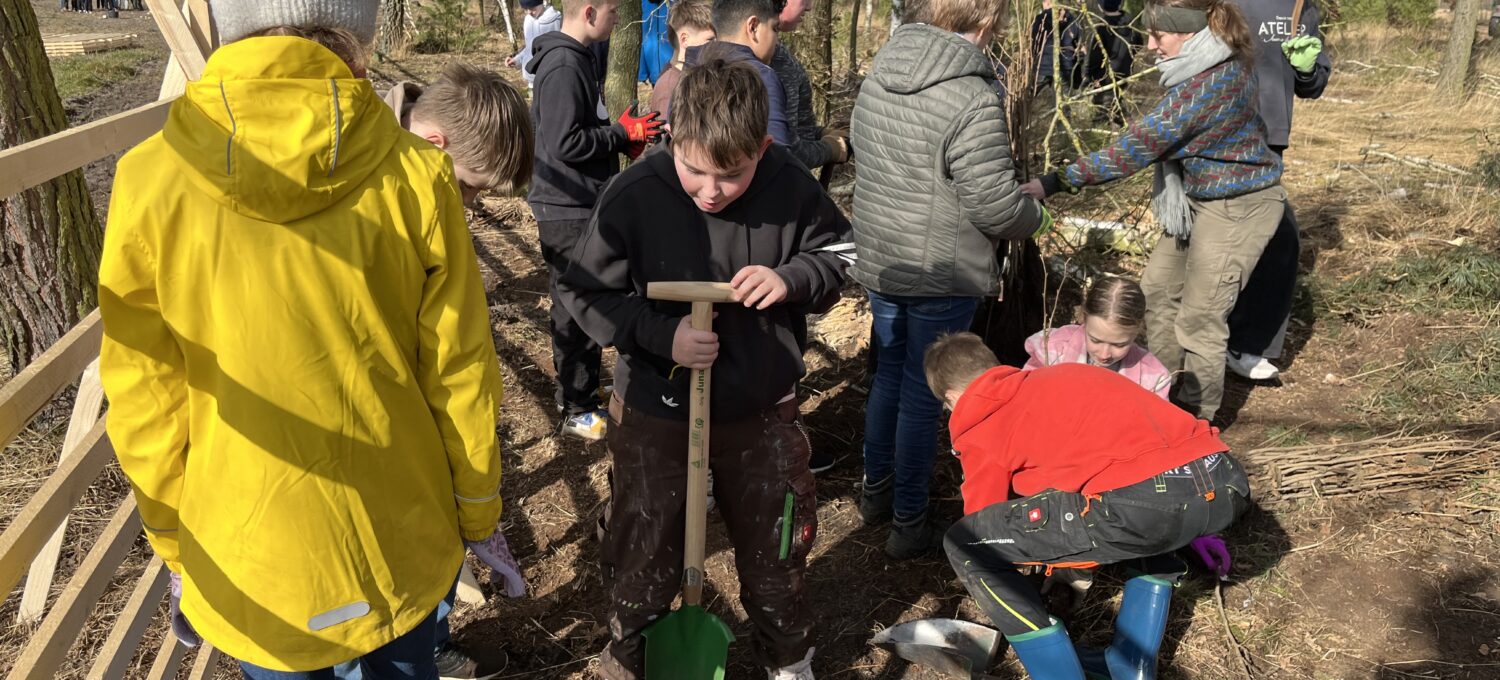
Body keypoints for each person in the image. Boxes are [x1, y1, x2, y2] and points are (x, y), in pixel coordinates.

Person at [98, 4, 514, 677]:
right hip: (398, 540)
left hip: (250, 553)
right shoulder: (418, 176)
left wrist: (176, 540)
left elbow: (144, 394)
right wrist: (477, 508)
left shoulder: (149, 180)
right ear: (360, 34)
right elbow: (460, 370)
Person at [557, 59, 849, 680]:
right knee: (644, 541)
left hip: (759, 404)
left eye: (733, 175)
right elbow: (585, 292)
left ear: (762, 147)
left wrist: (791, 277)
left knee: (777, 540)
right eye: (695, 170)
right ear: (669, 138)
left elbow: (838, 252)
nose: (711, 191)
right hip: (656, 410)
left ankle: (788, 659)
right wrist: (663, 336)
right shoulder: (635, 193)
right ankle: (631, 657)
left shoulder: (792, 185)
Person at [925, 332, 1251, 679]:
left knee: (966, 544)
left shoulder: (979, 419)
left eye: (948, 406)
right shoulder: (1064, 376)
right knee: (1138, 507)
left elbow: (983, 518)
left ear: (951, 397)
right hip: (1224, 479)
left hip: (1146, 504)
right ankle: (1129, 667)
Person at [1023, 0, 1285, 424]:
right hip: (1199, 199)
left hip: (1239, 206)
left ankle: (1194, 421)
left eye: (1158, 35)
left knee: (1200, 316)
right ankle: (1159, 392)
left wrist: (1054, 182)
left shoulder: (1207, 86)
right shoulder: (1207, 63)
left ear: (1187, 33)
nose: (1149, 46)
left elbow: (1136, 147)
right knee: (1159, 292)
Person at [850, 0, 1046, 560]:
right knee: (918, 392)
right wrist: (1036, 215)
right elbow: (994, 207)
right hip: (941, 270)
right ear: (983, 21)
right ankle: (909, 521)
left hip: (884, 260)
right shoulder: (972, 95)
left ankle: (875, 494)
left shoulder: (880, 73)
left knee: (888, 375)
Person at [379, 64, 534, 680]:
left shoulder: (411, 172)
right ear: (437, 146)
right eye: (470, 190)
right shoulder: (374, 182)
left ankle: (432, 635)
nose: (469, 207)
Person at [526, 0, 663, 440]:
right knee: (573, 304)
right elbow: (565, 142)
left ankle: (580, 390)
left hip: (577, 201)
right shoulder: (565, 64)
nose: (619, 20)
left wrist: (619, 136)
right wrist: (622, 135)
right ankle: (576, 405)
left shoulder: (577, 58)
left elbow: (583, 128)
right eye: (613, 13)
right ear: (589, 12)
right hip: (565, 207)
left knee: (580, 297)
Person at [1224, 0, 1330, 380]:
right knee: (1216, 234)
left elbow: (1313, 84)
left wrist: (1307, 70)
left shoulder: (1301, 6)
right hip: (1217, 131)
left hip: (1269, 140)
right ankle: (1199, 339)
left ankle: (1245, 343)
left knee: (1276, 241)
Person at [1023, 277, 1171, 399]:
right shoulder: (1053, 349)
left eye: (1119, 345)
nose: (1104, 354)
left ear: (1138, 330)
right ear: (1083, 318)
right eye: (1095, 340)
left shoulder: (1153, 379)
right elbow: (1026, 395)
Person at [685, 0, 791, 146]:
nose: (776, 40)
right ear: (753, 27)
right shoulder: (762, 78)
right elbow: (777, 153)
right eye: (775, 28)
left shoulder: (688, 72)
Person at [770, 0, 850, 173]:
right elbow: (784, 153)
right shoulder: (766, 65)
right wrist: (830, 149)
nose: (809, 7)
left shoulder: (779, 54)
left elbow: (795, 129)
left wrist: (820, 134)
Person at [648, 0, 715, 115]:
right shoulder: (669, 89)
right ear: (684, 40)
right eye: (710, 40)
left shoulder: (692, 74)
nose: (716, 44)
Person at [507, 0, 563, 88]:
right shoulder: (528, 20)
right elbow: (529, 47)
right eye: (526, 9)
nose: (529, 12)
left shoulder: (555, 20)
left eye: (532, 8)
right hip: (531, 80)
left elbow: (560, 48)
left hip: (550, 77)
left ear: (541, 3)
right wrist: (517, 60)